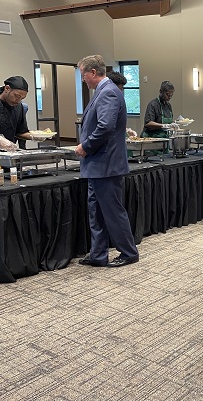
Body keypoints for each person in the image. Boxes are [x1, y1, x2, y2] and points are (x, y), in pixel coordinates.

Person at [74, 55, 139, 268]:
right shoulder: (104, 91)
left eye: (83, 74)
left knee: (112, 211)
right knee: (97, 212)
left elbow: (105, 127)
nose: (83, 79)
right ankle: (98, 254)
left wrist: (85, 146)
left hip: (106, 164)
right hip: (98, 165)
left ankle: (129, 252)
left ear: (93, 72)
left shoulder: (108, 92)